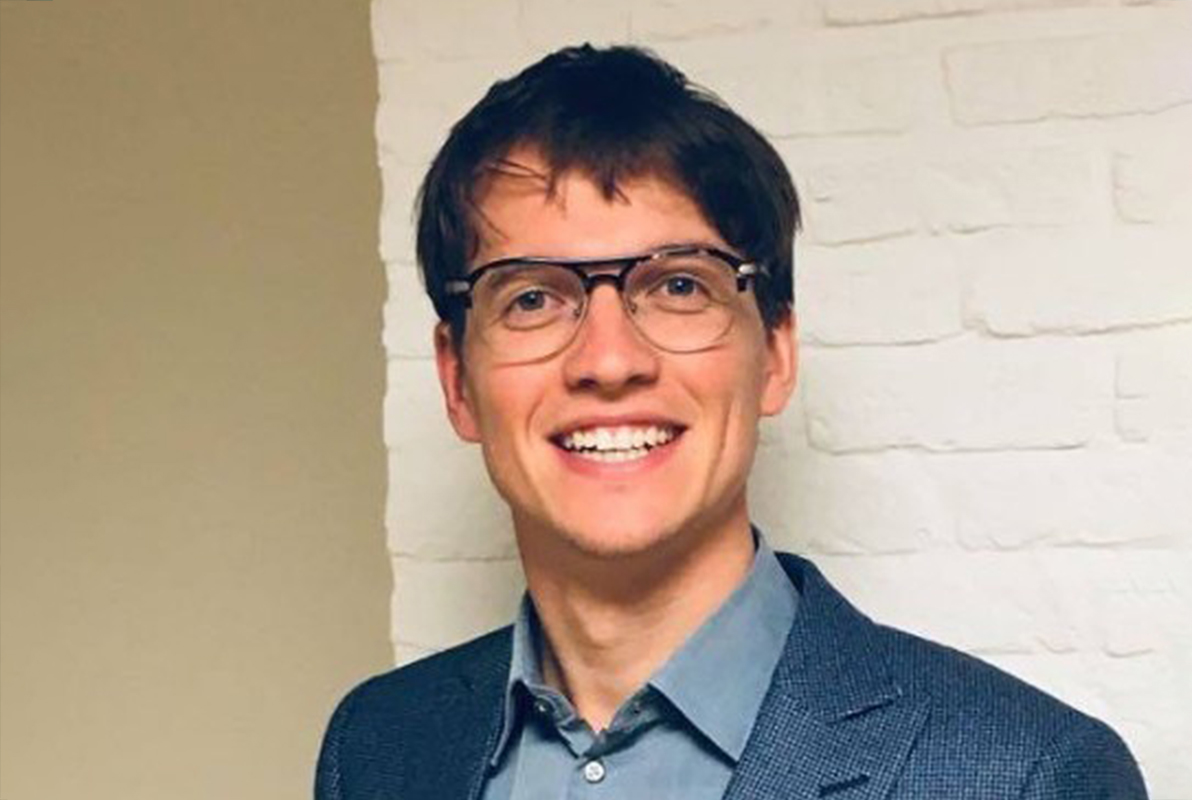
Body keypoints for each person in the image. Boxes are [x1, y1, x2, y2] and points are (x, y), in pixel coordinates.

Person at [316, 45, 1147, 799]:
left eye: (679, 286)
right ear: (457, 380)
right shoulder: (378, 746)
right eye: (532, 298)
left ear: (775, 354)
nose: (609, 359)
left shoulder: (1027, 773)